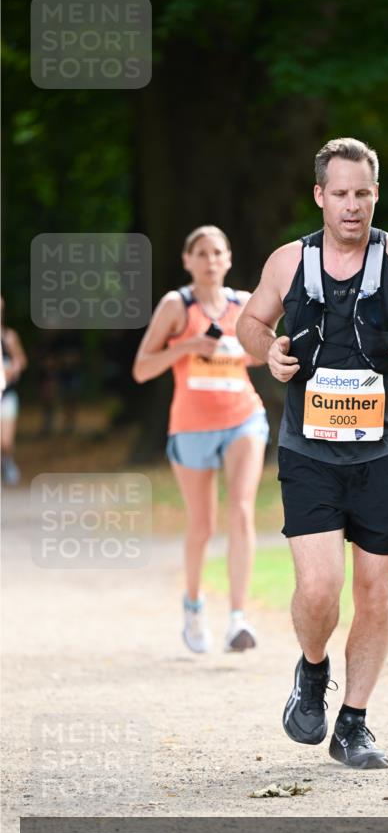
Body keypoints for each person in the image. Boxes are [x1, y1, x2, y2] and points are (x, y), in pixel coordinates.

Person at [237, 138, 388, 769]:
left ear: (375, 194)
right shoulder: (290, 262)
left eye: (362, 193)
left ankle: (355, 723)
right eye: (339, 194)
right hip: (309, 450)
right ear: (319, 196)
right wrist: (268, 349)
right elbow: (250, 322)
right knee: (319, 589)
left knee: (376, 592)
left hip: (384, 451)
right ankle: (312, 671)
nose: (351, 206)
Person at [133, 226, 269, 654]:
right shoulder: (177, 305)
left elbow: (262, 356)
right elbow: (142, 368)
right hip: (191, 425)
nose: (211, 260)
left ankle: (237, 619)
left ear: (228, 259)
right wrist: (189, 345)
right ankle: (193, 607)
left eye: (218, 253)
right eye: (202, 253)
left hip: (243, 418)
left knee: (242, 511)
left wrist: (246, 346)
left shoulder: (243, 303)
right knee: (202, 524)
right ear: (187, 260)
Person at [1, 297, 28, 486]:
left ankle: (7, 461)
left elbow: (21, 360)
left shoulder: (9, 337)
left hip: (7, 395)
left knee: (6, 442)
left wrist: (12, 369)